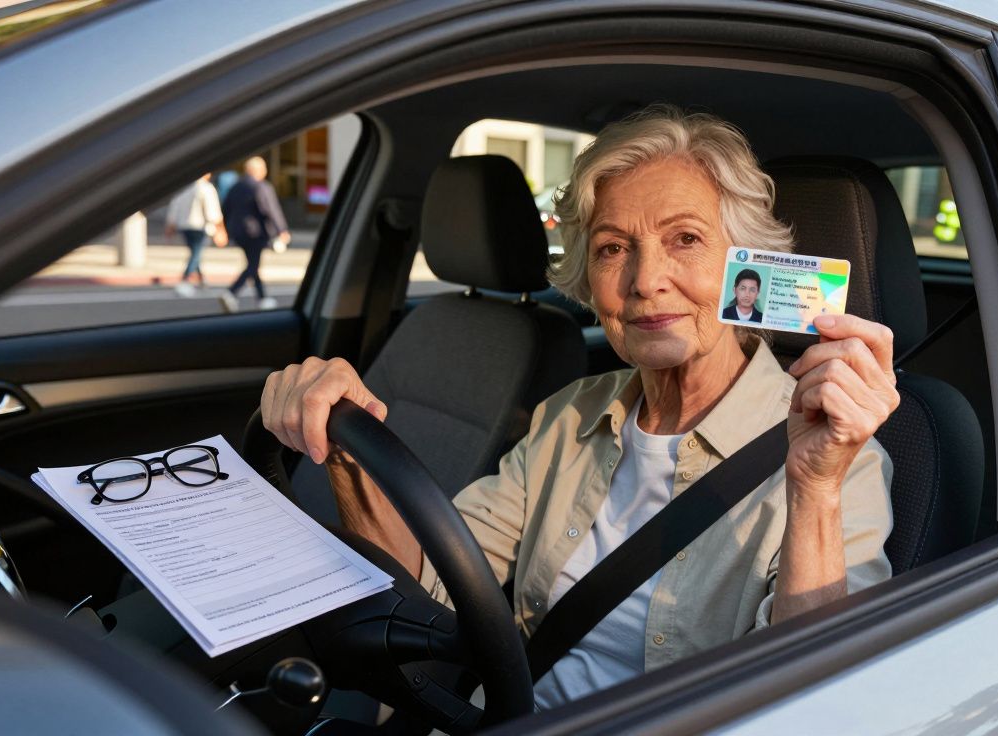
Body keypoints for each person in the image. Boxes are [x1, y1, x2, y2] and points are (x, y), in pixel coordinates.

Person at [260, 106, 897, 709]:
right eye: (613, 248)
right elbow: (427, 587)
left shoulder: (838, 456)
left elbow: (808, 703)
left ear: (746, 266)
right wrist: (344, 452)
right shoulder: (569, 414)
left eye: (685, 239)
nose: (646, 281)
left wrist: (814, 487)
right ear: (589, 281)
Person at [219, 157, 289, 312]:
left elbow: (225, 209)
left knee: (253, 264)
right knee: (253, 265)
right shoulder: (261, 187)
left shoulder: (235, 187)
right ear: (258, 171)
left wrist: (226, 229)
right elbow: (271, 210)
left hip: (238, 232)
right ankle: (232, 292)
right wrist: (282, 230)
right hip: (256, 233)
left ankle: (262, 297)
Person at [164, 173, 227, 297]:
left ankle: (201, 279)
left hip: (185, 226)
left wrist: (171, 225)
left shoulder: (184, 188)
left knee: (195, 252)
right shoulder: (206, 188)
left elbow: (174, 208)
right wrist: (220, 230)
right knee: (196, 253)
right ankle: (185, 279)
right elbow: (213, 213)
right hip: (200, 227)